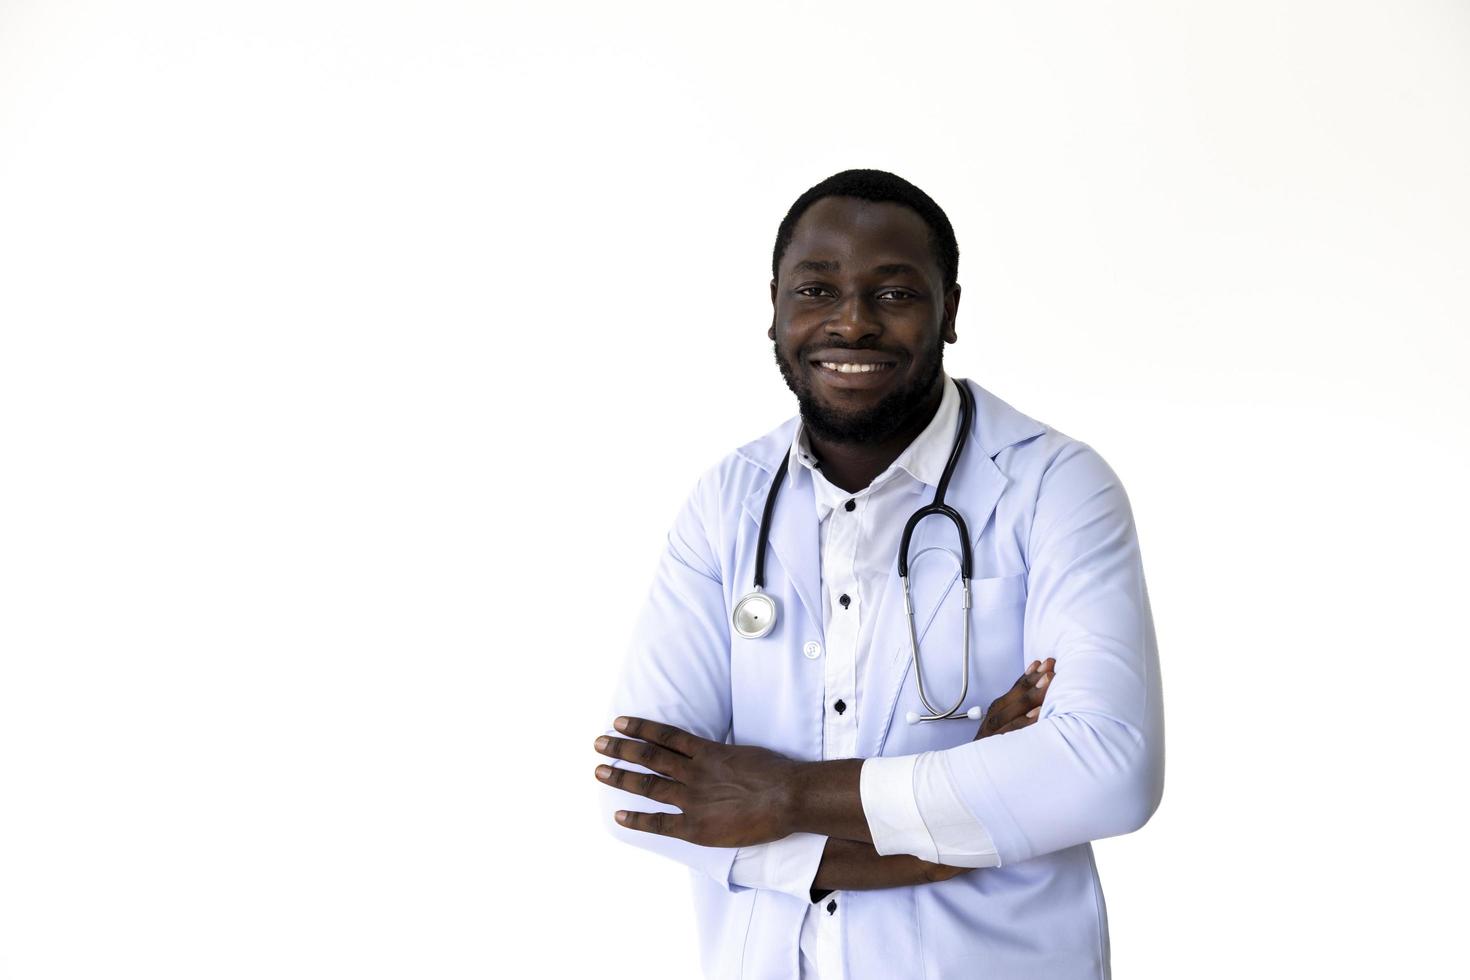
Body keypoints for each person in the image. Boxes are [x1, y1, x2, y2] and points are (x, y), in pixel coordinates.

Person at [592, 169, 1164, 979]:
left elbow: (1107, 769)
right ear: (775, 308)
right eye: (817, 289)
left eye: (893, 294)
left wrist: (781, 796)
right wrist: (932, 844)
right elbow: (643, 793)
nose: (851, 323)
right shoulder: (729, 500)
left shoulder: (1053, 486)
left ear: (950, 312)